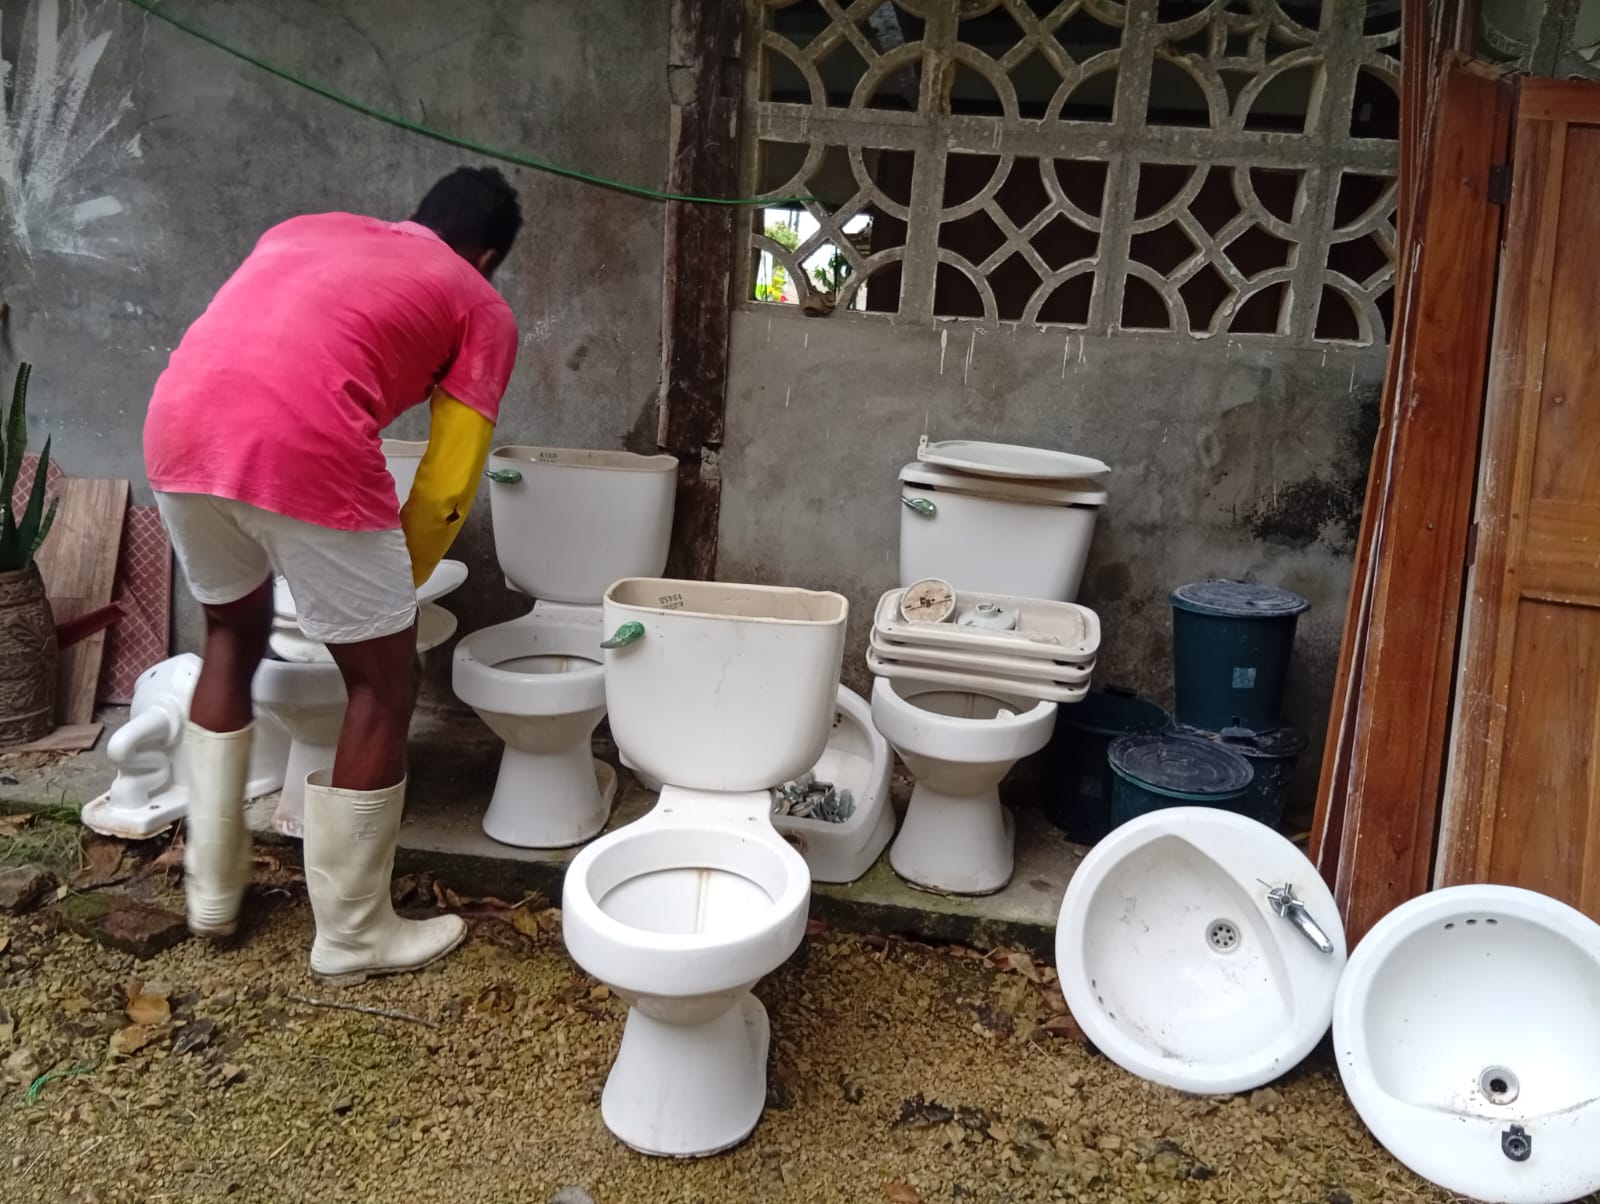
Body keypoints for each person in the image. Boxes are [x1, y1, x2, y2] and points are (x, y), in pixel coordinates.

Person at [143, 166, 523, 983]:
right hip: (303, 444)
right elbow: (448, 484)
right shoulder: (479, 303)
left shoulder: (303, 230)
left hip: (178, 427)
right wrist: (393, 593)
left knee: (231, 635)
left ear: (416, 216)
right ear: (488, 257)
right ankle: (353, 936)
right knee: (383, 684)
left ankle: (212, 892)